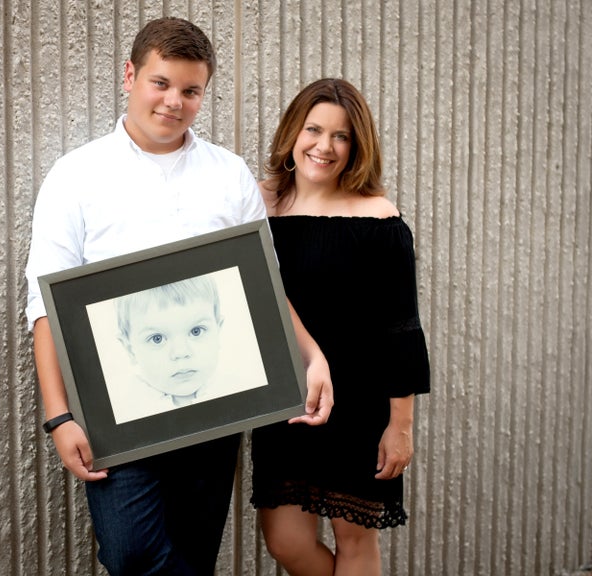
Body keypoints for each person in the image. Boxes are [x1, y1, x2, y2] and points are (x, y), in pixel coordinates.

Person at [25, 17, 332, 575]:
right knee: (130, 552)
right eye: (160, 83)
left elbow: (264, 285)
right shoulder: (76, 177)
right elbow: (45, 306)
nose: (174, 102)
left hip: (215, 402)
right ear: (130, 75)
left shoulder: (228, 175)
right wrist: (59, 417)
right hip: (113, 411)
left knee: (194, 552)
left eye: (190, 91)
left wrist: (312, 357)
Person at [250, 78, 430, 575]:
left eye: (341, 136)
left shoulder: (377, 218)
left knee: (354, 542)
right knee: (285, 540)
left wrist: (400, 426)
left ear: (357, 146)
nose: (324, 146)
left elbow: (401, 329)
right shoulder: (258, 205)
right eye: (314, 129)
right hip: (286, 401)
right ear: (293, 132)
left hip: (361, 404)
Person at [115, 276, 224, 410]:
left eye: (196, 331)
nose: (181, 353)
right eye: (157, 338)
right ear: (130, 350)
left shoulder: (236, 387)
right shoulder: (127, 408)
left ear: (218, 330)